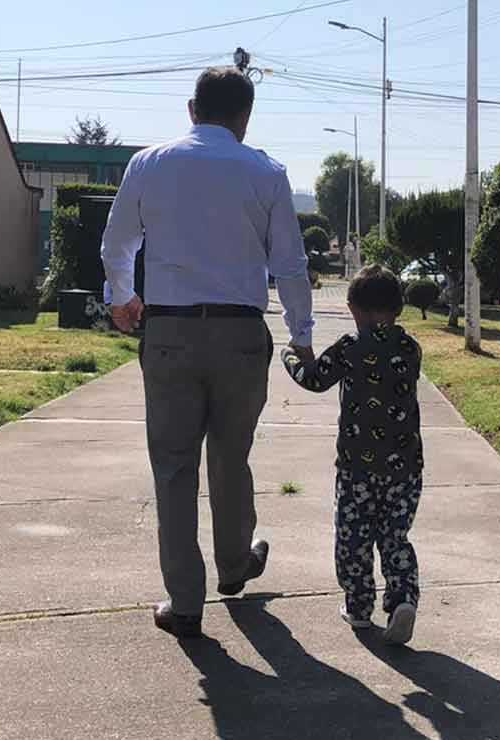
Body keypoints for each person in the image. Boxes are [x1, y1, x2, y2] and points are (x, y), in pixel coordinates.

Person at [101, 67, 315, 639]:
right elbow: (290, 262)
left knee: (173, 468)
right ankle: (235, 563)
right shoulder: (266, 171)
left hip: (169, 333)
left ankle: (185, 602)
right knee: (230, 456)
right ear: (245, 118)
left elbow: (117, 240)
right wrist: (301, 330)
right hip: (240, 335)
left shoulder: (149, 163)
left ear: (191, 109)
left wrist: (122, 297)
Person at [282, 266, 423, 645]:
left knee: (354, 539)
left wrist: (291, 357)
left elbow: (314, 379)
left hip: (358, 468)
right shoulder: (411, 349)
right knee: (395, 537)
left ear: (352, 308)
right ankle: (403, 600)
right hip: (406, 469)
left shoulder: (350, 348)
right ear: (398, 310)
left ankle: (359, 608)